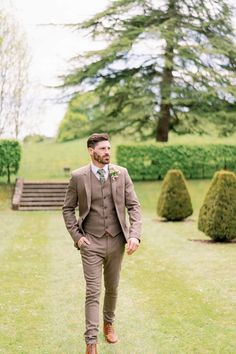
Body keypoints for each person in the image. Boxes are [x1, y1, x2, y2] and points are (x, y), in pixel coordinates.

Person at [62, 133, 142, 354]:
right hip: (91, 244)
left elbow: (134, 206)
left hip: (117, 242)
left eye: (109, 148)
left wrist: (134, 234)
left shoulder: (121, 173)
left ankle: (108, 324)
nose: (108, 152)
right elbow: (68, 209)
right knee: (92, 291)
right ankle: (91, 342)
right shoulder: (78, 177)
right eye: (103, 149)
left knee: (113, 288)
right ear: (91, 150)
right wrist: (78, 238)